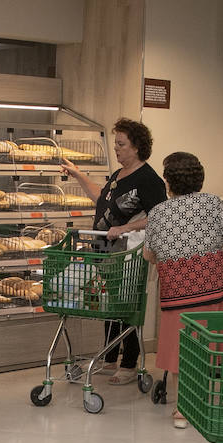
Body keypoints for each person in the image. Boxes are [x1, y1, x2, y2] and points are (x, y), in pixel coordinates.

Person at [143, 152, 223, 428]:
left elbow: (148, 255)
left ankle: (183, 409)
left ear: (168, 182)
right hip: (216, 289)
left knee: (183, 345)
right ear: (199, 178)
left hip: (177, 295)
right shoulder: (211, 202)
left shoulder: (157, 212)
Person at [61, 117, 166, 385]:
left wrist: (126, 228)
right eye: (115, 144)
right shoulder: (119, 175)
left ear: (137, 147)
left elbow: (159, 216)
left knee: (127, 304)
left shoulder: (148, 179)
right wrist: (79, 174)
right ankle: (109, 356)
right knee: (109, 303)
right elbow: (103, 199)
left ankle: (129, 363)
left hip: (128, 252)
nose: (116, 149)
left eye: (121, 144)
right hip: (106, 249)